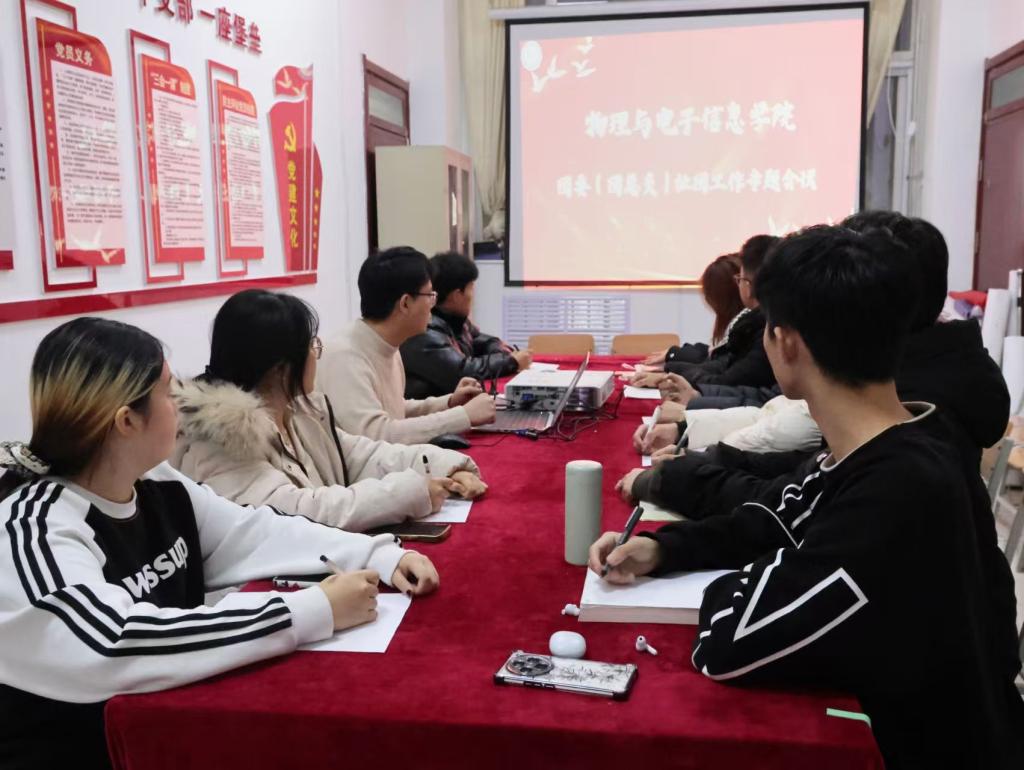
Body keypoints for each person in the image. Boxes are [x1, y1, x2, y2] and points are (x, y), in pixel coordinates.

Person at [590, 226, 1024, 769]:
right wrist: (665, 548)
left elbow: (730, 642)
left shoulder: (897, 492)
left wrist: (741, 580)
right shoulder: (902, 441)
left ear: (786, 342)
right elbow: (779, 518)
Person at [0, 317, 440, 770]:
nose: (180, 401)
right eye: (168, 391)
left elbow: (252, 531)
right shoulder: (32, 527)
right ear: (127, 421)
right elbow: (113, 642)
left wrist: (377, 555)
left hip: (160, 735)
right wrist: (311, 610)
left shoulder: (154, 481)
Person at [631, 213, 1009, 481]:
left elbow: (799, 470)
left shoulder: (896, 440)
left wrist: (694, 456)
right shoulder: (915, 380)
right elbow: (804, 478)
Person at [173, 290, 487, 533]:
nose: (316, 354)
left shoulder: (298, 410)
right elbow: (301, 511)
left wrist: (444, 466)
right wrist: (410, 493)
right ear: (282, 368)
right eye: (311, 346)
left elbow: (360, 455)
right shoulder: (221, 440)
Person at [319, 247, 496, 444]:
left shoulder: (387, 344)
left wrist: (449, 403)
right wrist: (462, 416)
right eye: (430, 295)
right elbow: (375, 435)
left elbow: (395, 410)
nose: (433, 304)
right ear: (405, 303)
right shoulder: (345, 357)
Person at [633, 235, 779, 395]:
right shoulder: (754, 322)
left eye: (740, 279)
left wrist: (671, 375)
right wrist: (670, 368)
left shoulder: (765, 328)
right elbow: (721, 362)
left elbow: (727, 379)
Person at [401, 251, 532, 399]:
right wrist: (511, 362)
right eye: (471, 288)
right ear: (456, 295)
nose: (473, 295)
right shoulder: (425, 330)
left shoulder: (455, 321)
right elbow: (462, 372)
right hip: (433, 409)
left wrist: (500, 353)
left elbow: (484, 341)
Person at [639, 253, 744, 369]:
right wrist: (674, 353)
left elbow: (717, 366)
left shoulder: (745, 328)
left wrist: (671, 367)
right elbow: (712, 354)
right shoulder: (740, 323)